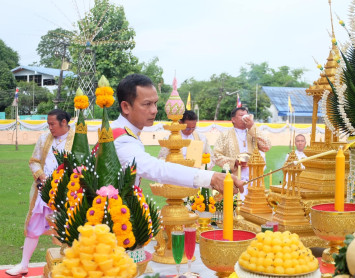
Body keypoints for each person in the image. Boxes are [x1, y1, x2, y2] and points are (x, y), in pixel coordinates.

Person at [110, 74, 245, 194]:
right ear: (126, 107)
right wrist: (210, 177)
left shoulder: (126, 133)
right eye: (147, 104)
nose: (154, 110)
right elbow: (156, 168)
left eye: (155, 103)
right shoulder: (122, 139)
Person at [6, 109, 75, 276]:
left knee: (68, 232)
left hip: (67, 196)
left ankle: (71, 268)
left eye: (52, 124)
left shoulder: (77, 139)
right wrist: (42, 177)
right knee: (32, 228)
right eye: (48, 124)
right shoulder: (44, 138)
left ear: (64, 122)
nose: (49, 127)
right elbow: (34, 161)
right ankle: (23, 265)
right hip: (43, 194)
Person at [213, 107, 271, 200]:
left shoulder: (253, 132)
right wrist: (233, 162)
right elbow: (216, 155)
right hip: (234, 177)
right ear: (233, 119)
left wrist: (252, 127)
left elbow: (267, 146)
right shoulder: (225, 135)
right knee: (235, 206)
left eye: (246, 115)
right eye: (241, 115)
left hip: (254, 178)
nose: (244, 118)